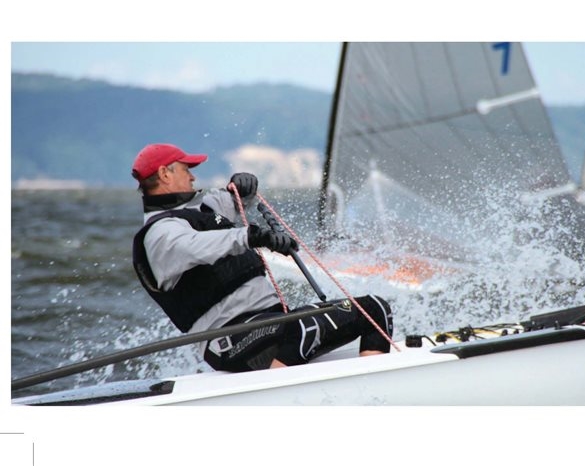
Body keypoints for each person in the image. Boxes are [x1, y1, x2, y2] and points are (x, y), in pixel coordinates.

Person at [129, 143, 393, 372]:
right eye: (186, 169)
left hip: (269, 324)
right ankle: (280, 398)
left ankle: (370, 389)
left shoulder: (203, 208)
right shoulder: (159, 234)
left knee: (374, 310)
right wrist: (253, 236)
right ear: (164, 174)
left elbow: (240, 200)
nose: (192, 176)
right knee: (300, 329)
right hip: (230, 340)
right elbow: (198, 246)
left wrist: (243, 185)